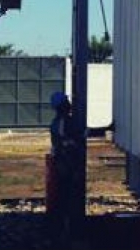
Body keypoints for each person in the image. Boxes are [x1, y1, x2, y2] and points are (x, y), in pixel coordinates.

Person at [46, 91, 82, 247]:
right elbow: (70, 140)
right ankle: (66, 233)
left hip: (63, 165)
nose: (69, 104)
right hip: (66, 166)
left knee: (63, 199)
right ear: (62, 106)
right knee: (67, 199)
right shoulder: (63, 122)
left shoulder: (59, 122)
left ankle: (61, 233)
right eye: (66, 101)